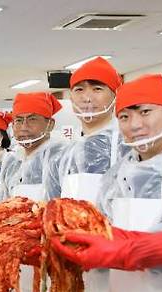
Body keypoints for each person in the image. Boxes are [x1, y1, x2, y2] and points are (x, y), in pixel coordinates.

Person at [60, 74, 162, 292]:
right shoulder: (117, 172)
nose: (134, 124)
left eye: (145, 111)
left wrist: (124, 250)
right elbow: (101, 229)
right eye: (124, 115)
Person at [0, 92, 68, 292]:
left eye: (32, 119)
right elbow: (3, 206)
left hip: (50, 254)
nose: (23, 126)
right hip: (16, 255)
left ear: (50, 124)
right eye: (18, 120)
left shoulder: (62, 156)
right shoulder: (11, 161)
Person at [47, 56, 126, 201]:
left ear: (116, 96)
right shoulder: (63, 154)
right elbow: (51, 205)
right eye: (79, 89)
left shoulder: (128, 145)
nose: (87, 98)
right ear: (71, 98)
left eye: (97, 89)